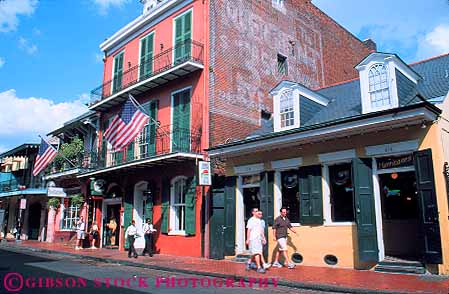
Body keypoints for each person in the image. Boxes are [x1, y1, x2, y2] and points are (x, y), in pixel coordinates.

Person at [246, 209, 270, 273]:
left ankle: (248, 263)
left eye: (257, 211)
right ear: (253, 212)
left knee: (257, 252)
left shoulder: (259, 220)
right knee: (257, 253)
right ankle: (259, 267)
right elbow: (249, 230)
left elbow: (261, 230)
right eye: (256, 211)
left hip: (259, 239)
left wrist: (263, 238)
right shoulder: (251, 220)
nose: (257, 212)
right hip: (253, 239)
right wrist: (248, 239)